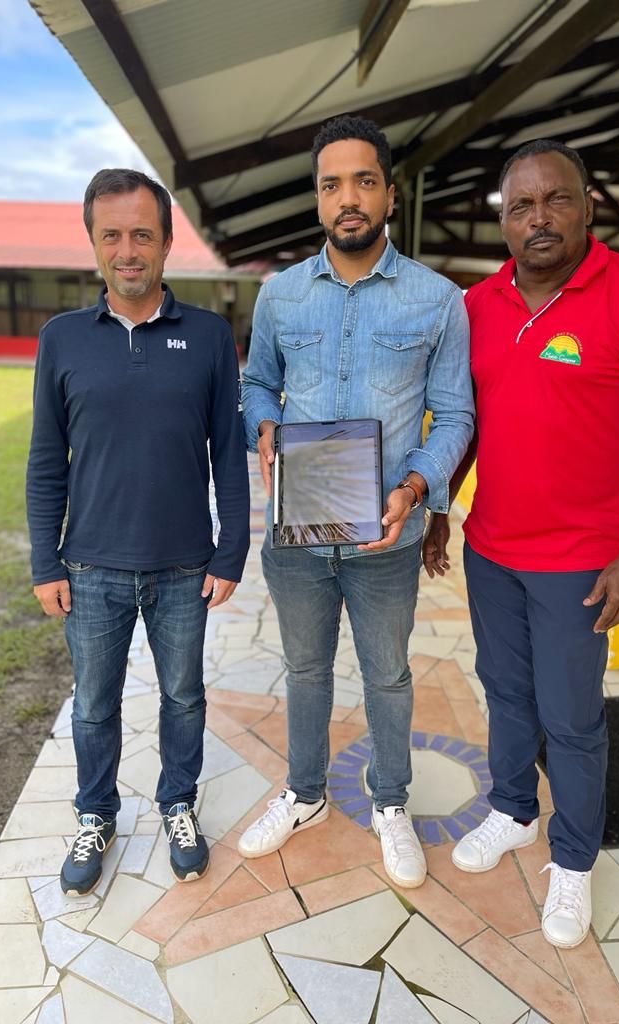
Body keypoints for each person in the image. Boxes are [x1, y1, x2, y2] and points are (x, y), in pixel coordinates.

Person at [424, 139, 619, 946]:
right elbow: (467, 422)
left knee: (573, 719)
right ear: (503, 220)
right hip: (492, 549)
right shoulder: (476, 307)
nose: (539, 218)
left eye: (557, 199)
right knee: (504, 691)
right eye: (522, 206)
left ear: (589, 206)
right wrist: (440, 508)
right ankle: (514, 811)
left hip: (581, 563)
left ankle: (574, 861)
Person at [239, 115, 474, 888]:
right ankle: (304, 794)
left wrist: (416, 488)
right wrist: (263, 425)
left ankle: (391, 803)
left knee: (388, 676)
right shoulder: (278, 296)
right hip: (298, 533)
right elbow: (256, 382)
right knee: (305, 669)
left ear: (389, 194)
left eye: (364, 181)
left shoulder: (438, 300)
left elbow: (456, 414)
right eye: (332, 184)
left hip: (386, 537)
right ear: (317, 198)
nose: (349, 198)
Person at [26, 169, 250, 896]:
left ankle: (178, 803)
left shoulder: (209, 337)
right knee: (94, 705)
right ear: (94, 242)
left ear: (166, 241)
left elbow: (229, 452)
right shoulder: (61, 340)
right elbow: (45, 461)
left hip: (185, 568)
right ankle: (96, 814)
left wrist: (232, 548)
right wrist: (44, 562)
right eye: (113, 235)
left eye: (142, 234)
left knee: (183, 698)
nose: (128, 250)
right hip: (90, 569)